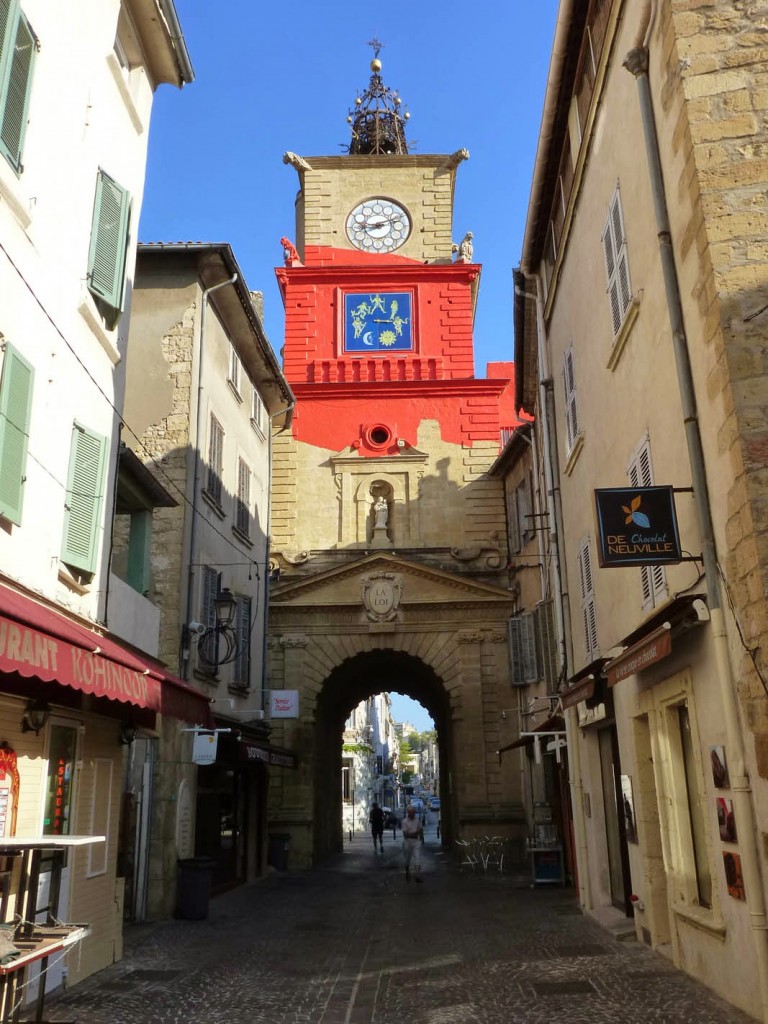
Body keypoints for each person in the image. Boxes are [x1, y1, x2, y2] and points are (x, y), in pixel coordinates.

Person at [401, 805, 424, 882]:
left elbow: (420, 830)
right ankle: (407, 872)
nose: (413, 814)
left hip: (416, 842)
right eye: (411, 813)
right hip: (407, 842)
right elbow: (405, 834)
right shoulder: (404, 821)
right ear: (408, 813)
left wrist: (422, 838)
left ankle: (417, 874)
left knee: (417, 857)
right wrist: (415, 833)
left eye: (414, 813)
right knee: (407, 859)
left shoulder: (417, 820)